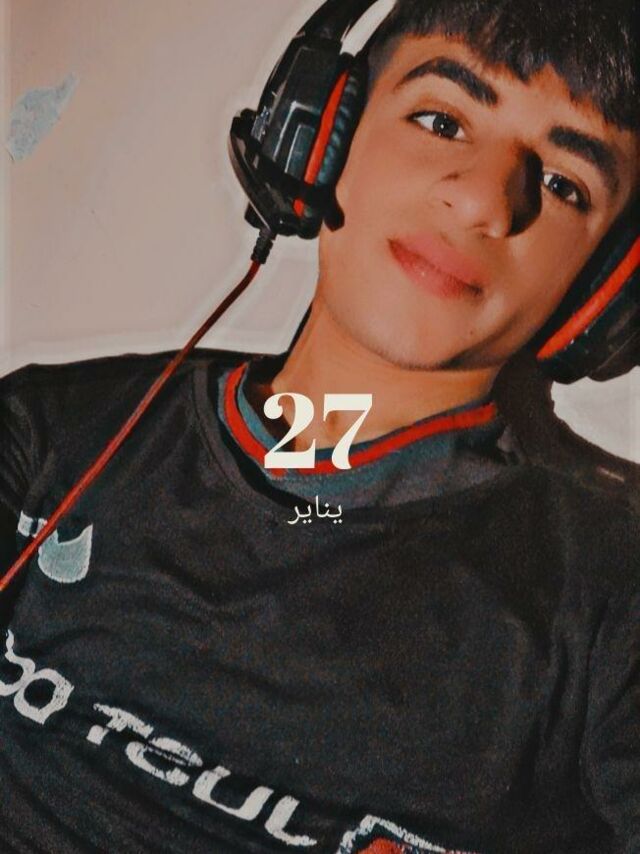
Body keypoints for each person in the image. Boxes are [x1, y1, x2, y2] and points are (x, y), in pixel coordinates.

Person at [0, 0, 638, 851]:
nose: (483, 200)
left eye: (563, 185)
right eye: (442, 121)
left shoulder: (613, 597)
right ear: (320, 137)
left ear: (604, 289)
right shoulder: (49, 432)